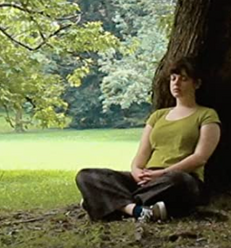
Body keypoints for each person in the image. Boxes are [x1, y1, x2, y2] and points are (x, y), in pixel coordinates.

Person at [75, 58, 220, 223]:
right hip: (146, 179)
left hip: (177, 179)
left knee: (179, 181)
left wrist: (163, 173)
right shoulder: (158, 116)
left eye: (184, 79)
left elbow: (200, 157)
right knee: (87, 175)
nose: (176, 83)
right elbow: (142, 154)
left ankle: (103, 202)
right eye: (173, 78)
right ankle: (137, 210)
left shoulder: (206, 115)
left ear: (197, 83)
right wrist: (136, 171)